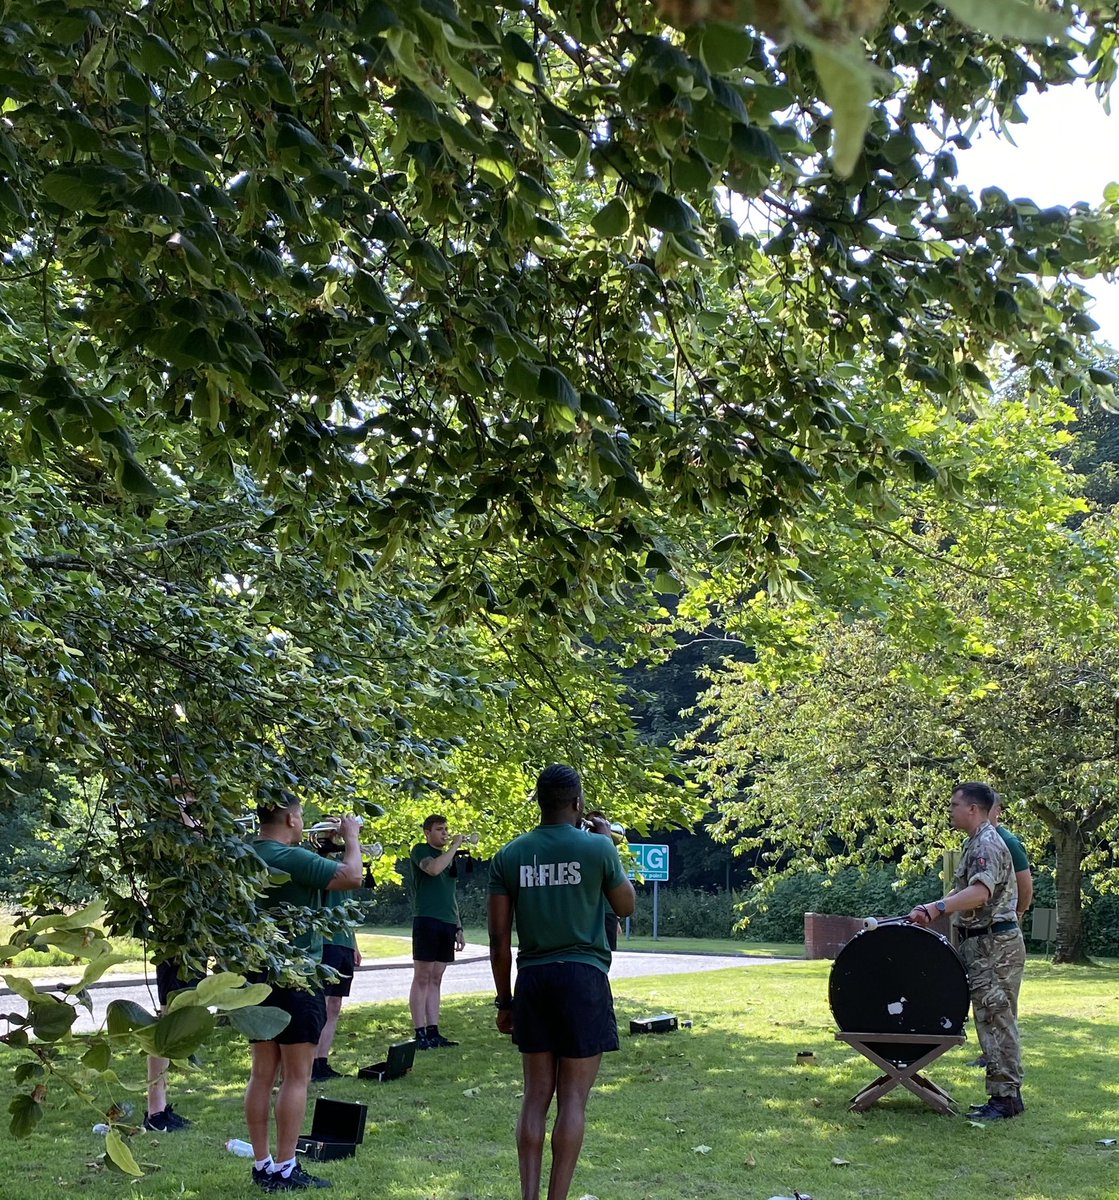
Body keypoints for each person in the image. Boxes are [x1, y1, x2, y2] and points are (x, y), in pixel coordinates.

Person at [488, 764, 636, 1200]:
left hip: (533, 978)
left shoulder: (510, 855)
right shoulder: (598, 848)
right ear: (577, 803)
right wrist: (607, 843)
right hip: (584, 978)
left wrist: (504, 1000)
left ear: (539, 802)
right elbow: (625, 906)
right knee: (573, 1101)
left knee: (536, 1095)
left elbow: (499, 939)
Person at [245, 800, 362, 1191]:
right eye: (301, 818)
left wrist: (322, 847)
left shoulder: (246, 854)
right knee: (297, 1076)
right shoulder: (290, 855)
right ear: (292, 819)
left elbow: (304, 876)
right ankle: (286, 1166)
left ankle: (262, 1164)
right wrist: (351, 838)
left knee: (262, 1074)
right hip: (297, 975)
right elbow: (351, 876)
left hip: (254, 976)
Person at [907, 781, 1025, 1121]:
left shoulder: (986, 843)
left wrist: (936, 907)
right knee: (992, 1020)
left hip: (994, 947)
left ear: (972, 808)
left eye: (955, 804)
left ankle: (1005, 1099)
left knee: (996, 1020)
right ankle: (1008, 1097)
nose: (951, 810)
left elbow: (980, 893)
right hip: (984, 943)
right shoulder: (976, 842)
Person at [968, 795, 1033, 1069]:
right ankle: (992, 1060)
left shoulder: (1003, 841)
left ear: (996, 811)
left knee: (1002, 1009)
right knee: (988, 1009)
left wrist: (1015, 915)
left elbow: (1024, 886)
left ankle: (1005, 1085)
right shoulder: (975, 841)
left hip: (1000, 939)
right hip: (982, 939)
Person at [409, 814, 465, 1049]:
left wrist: (458, 926)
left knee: (437, 977)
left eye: (446, 829)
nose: (445, 833)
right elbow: (432, 869)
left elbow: (450, 894)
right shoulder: (420, 850)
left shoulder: (448, 857)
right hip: (426, 919)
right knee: (422, 976)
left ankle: (434, 1030)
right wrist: (454, 847)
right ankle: (419, 1032)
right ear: (427, 832)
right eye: (440, 829)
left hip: (447, 922)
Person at [312, 886, 362, 1082]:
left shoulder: (349, 874)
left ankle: (322, 1063)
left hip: (345, 945)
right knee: (321, 1004)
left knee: (335, 1005)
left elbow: (348, 912)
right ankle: (311, 1063)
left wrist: (354, 945)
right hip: (326, 943)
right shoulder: (325, 866)